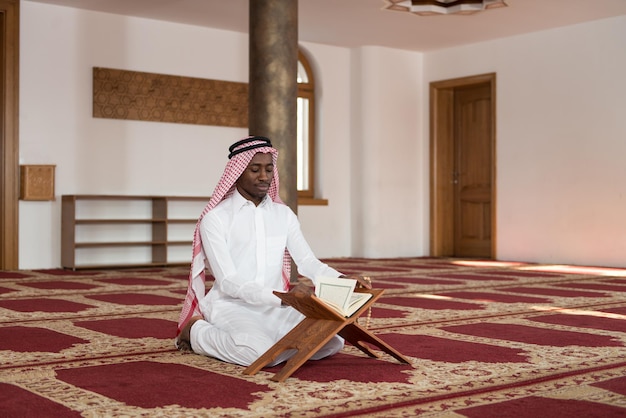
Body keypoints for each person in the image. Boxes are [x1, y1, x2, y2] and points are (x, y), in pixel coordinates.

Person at [175, 135, 371, 367]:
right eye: (255, 169)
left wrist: (342, 280)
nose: (264, 177)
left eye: (269, 169)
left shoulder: (283, 214)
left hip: (278, 306)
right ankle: (196, 332)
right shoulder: (215, 218)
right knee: (260, 355)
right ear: (237, 172)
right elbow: (228, 280)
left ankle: (278, 347)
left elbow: (307, 260)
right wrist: (281, 298)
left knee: (333, 341)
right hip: (234, 306)